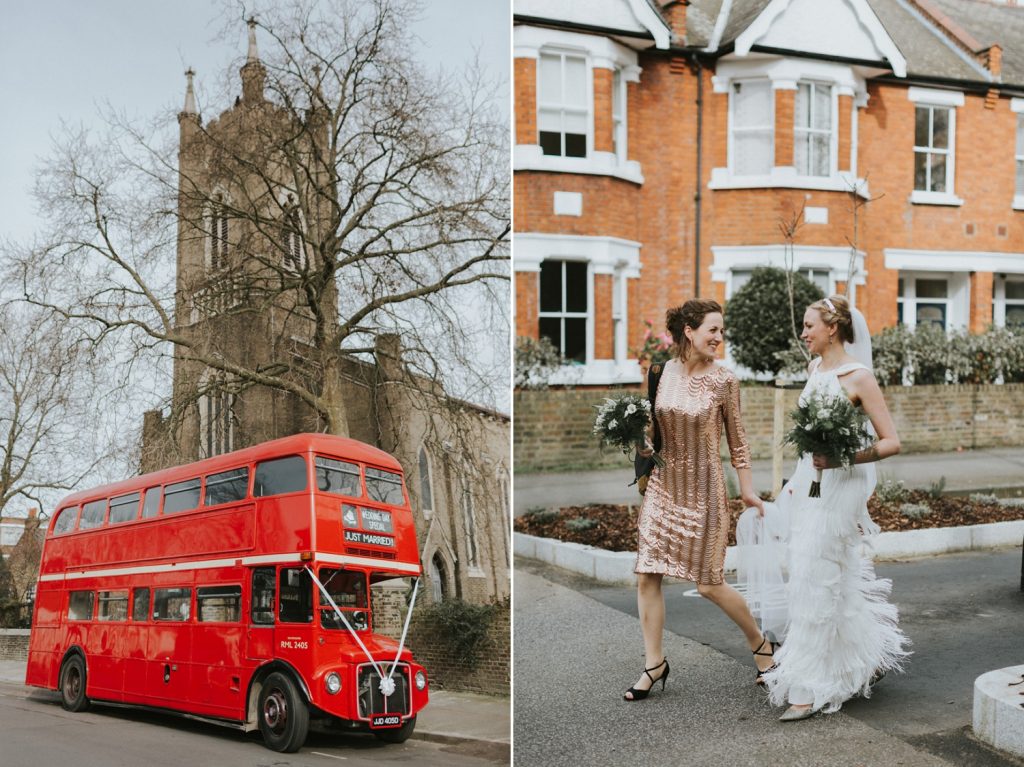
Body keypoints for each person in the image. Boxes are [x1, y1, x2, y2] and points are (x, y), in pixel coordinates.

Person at [764, 295, 910, 721]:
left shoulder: (859, 377)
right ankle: (869, 656)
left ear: (833, 328)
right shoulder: (814, 369)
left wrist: (844, 458)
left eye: (809, 325)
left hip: (840, 486)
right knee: (827, 573)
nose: (803, 333)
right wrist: (795, 482)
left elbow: (891, 442)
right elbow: (807, 442)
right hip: (811, 484)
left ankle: (809, 687)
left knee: (813, 574)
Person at [625, 298, 773, 701]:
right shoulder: (659, 373)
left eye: (722, 331)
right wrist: (637, 439)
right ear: (689, 332)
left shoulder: (725, 381)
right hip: (662, 487)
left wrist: (746, 490)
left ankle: (761, 647)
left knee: (709, 584)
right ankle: (654, 664)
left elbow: (738, 443)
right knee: (647, 575)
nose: (719, 338)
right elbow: (652, 434)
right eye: (713, 330)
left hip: (706, 491)